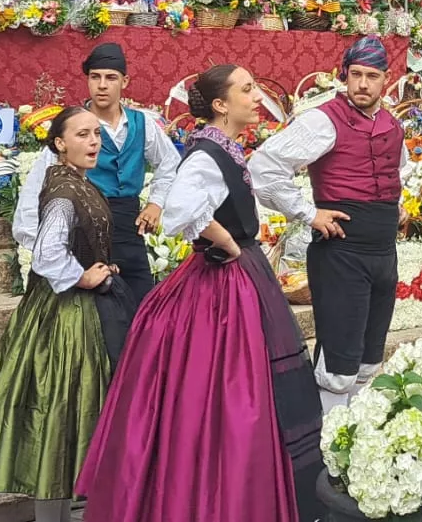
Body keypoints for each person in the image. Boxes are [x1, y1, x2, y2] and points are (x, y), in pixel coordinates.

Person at [78, 65, 323, 522]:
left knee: (248, 390)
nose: (256, 96)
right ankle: (220, 494)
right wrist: (227, 241)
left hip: (241, 276)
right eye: (247, 89)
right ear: (220, 105)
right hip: (222, 286)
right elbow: (181, 210)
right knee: (225, 390)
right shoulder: (207, 154)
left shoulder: (223, 149)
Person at [0, 106, 124, 518]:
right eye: (82, 135)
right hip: (64, 315)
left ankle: (72, 508)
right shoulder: (62, 190)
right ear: (59, 144)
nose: (93, 141)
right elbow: (46, 253)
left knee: (70, 407)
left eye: (96, 133)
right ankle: (61, 510)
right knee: (62, 403)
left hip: (76, 309)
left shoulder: (76, 181)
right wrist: (82, 278)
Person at [252, 37, 406, 413]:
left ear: (386, 79)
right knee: (338, 362)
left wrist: (397, 206)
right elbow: (264, 167)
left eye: (372, 76)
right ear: (344, 76)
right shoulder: (323, 120)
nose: (363, 85)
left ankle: (356, 444)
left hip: (383, 254)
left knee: (369, 360)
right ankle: (322, 447)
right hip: (341, 255)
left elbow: (397, 170)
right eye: (356, 75)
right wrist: (308, 213)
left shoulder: (392, 124)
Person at [12, 43, 179, 318]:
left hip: (129, 229)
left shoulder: (143, 123)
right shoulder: (71, 128)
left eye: (110, 78)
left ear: (125, 81)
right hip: (86, 234)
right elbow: (32, 202)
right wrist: (57, 253)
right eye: (95, 77)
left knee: (143, 317)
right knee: (99, 325)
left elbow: (170, 163)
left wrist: (156, 203)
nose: (102, 85)